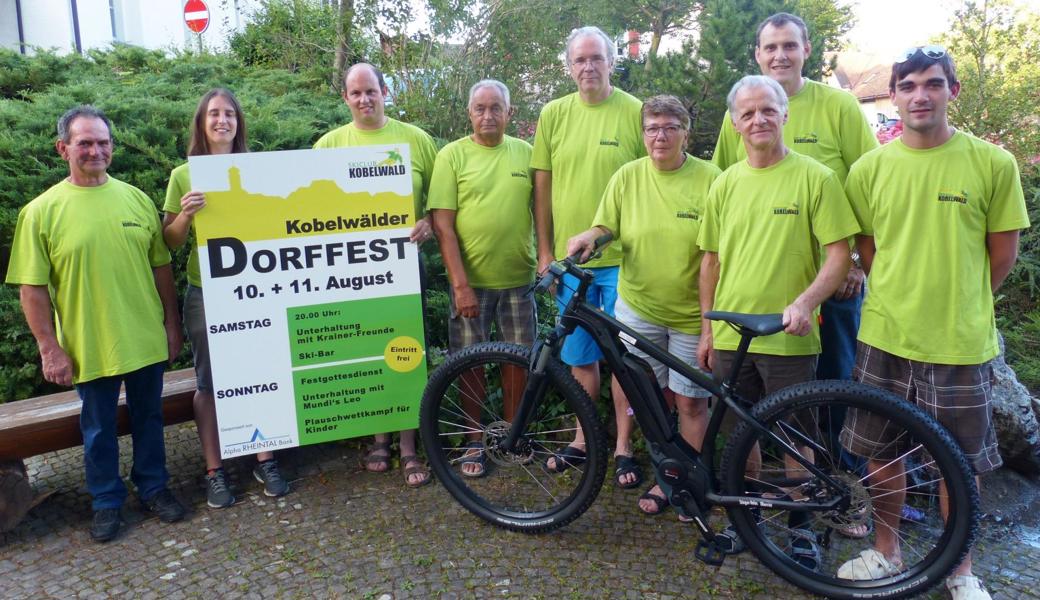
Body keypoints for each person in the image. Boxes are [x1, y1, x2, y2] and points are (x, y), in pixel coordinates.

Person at [837, 46, 1029, 600]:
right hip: (885, 336)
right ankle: (886, 551)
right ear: (894, 95)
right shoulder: (870, 168)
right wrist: (903, 296)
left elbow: (1002, 253)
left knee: (960, 465)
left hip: (960, 342)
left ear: (952, 91)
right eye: (909, 85)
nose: (921, 95)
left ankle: (961, 570)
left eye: (933, 84)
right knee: (880, 453)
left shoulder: (992, 163)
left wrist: (963, 301)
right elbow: (868, 250)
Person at [712, 15, 879, 531]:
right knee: (765, 405)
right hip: (756, 293)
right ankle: (765, 500)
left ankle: (838, 495)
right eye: (770, 47)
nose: (780, 55)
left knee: (831, 388)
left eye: (789, 46)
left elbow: (870, 184)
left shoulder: (840, 106)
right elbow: (726, 189)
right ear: (757, 54)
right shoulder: (739, 120)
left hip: (831, 278)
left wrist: (853, 261)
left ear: (807, 49)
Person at [696, 76, 858, 570]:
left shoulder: (816, 177)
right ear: (735, 122)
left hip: (789, 336)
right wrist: (705, 329)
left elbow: (838, 256)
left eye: (768, 110)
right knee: (738, 433)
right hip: (730, 335)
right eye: (747, 114)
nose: (758, 120)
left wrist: (807, 302)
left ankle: (802, 528)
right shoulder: (725, 182)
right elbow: (710, 262)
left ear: (785, 115)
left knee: (796, 438)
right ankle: (747, 520)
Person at [6, 105, 187, 542]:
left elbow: (161, 267)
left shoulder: (135, 198)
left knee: (149, 419)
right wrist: (50, 348)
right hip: (88, 344)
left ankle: (153, 488)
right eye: (84, 142)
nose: (95, 150)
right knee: (99, 429)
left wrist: (171, 324)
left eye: (103, 142)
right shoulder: (41, 211)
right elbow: (31, 289)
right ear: (62, 148)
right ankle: (106, 502)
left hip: (143, 335)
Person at [566, 95, 720, 516]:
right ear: (643, 133)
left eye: (670, 126)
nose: (660, 135)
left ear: (686, 132)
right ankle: (665, 475)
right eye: (652, 128)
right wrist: (588, 239)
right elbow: (605, 226)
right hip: (638, 310)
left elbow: (721, 252)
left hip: (692, 315)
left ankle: (690, 484)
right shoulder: (627, 176)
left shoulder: (711, 179)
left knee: (690, 402)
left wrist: (710, 325)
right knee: (648, 397)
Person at [531, 26, 646, 488]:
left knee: (625, 361)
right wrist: (545, 253)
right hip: (572, 265)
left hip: (626, 261)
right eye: (580, 60)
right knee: (581, 358)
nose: (588, 67)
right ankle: (583, 440)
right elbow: (541, 188)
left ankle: (623, 447)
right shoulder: (554, 113)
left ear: (611, 62)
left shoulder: (635, 112)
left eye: (596, 58)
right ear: (569, 65)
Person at [162, 88, 289, 507]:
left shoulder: (258, 169)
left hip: (256, 289)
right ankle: (214, 470)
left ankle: (264, 457)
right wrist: (185, 214)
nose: (222, 121)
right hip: (207, 293)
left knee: (258, 371)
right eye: (214, 114)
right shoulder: (184, 175)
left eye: (230, 114)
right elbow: (169, 242)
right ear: (201, 122)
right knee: (209, 383)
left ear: (239, 122)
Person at [314, 62, 437, 488]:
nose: (365, 99)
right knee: (369, 349)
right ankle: (378, 439)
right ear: (345, 98)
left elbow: (440, 205)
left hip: (404, 266)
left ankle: (409, 446)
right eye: (356, 93)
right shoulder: (327, 146)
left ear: (386, 91)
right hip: (352, 271)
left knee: (405, 350)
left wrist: (429, 223)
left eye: (372, 91)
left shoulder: (416, 140)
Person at [428, 79, 536, 478]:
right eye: (480, 108)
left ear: (510, 113)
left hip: (518, 281)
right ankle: (474, 440)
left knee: (518, 363)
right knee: (467, 364)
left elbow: (542, 212)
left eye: (496, 108)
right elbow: (443, 225)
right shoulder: (452, 156)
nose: (488, 115)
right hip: (470, 284)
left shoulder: (527, 153)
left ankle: (512, 435)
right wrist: (459, 285)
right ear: (469, 113)